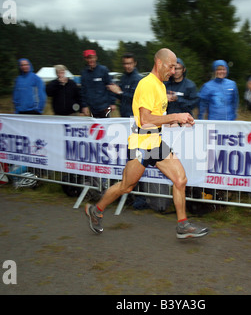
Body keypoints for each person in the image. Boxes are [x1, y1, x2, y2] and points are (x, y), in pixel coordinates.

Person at [85, 48, 209, 239]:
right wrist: (176, 115)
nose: (173, 71)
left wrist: (176, 121)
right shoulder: (147, 84)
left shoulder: (160, 85)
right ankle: (97, 209)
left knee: (180, 179)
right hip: (141, 143)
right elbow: (144, 119)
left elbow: (157, 117)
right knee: (126, 186)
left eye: (176, 68)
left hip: (155, 142)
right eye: (170, 67)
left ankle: (182, 225)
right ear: (159, 63)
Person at [80, 49, 116, 117]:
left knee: (105, 125)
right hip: (92, 108)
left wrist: (112, 103)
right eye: (88, 58)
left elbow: (111, 87)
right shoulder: (84, 73)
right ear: (85, 59)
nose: (90, 60)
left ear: (96, 58)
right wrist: (84, 105)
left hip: (105, 106)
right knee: (95, 126)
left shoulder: (103, 70)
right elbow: (83, 91)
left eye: (92, 57)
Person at [107, 53, 142, 117]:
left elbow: (135, 98)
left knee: (133, 127)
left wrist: (119, 92)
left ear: (135, 63)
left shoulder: (138, 79)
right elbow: (121, 97)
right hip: (124, 114)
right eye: (125, 64)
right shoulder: (124, 77)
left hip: (134, 116)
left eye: (129, 63)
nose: (127, 66)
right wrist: (113, 90)